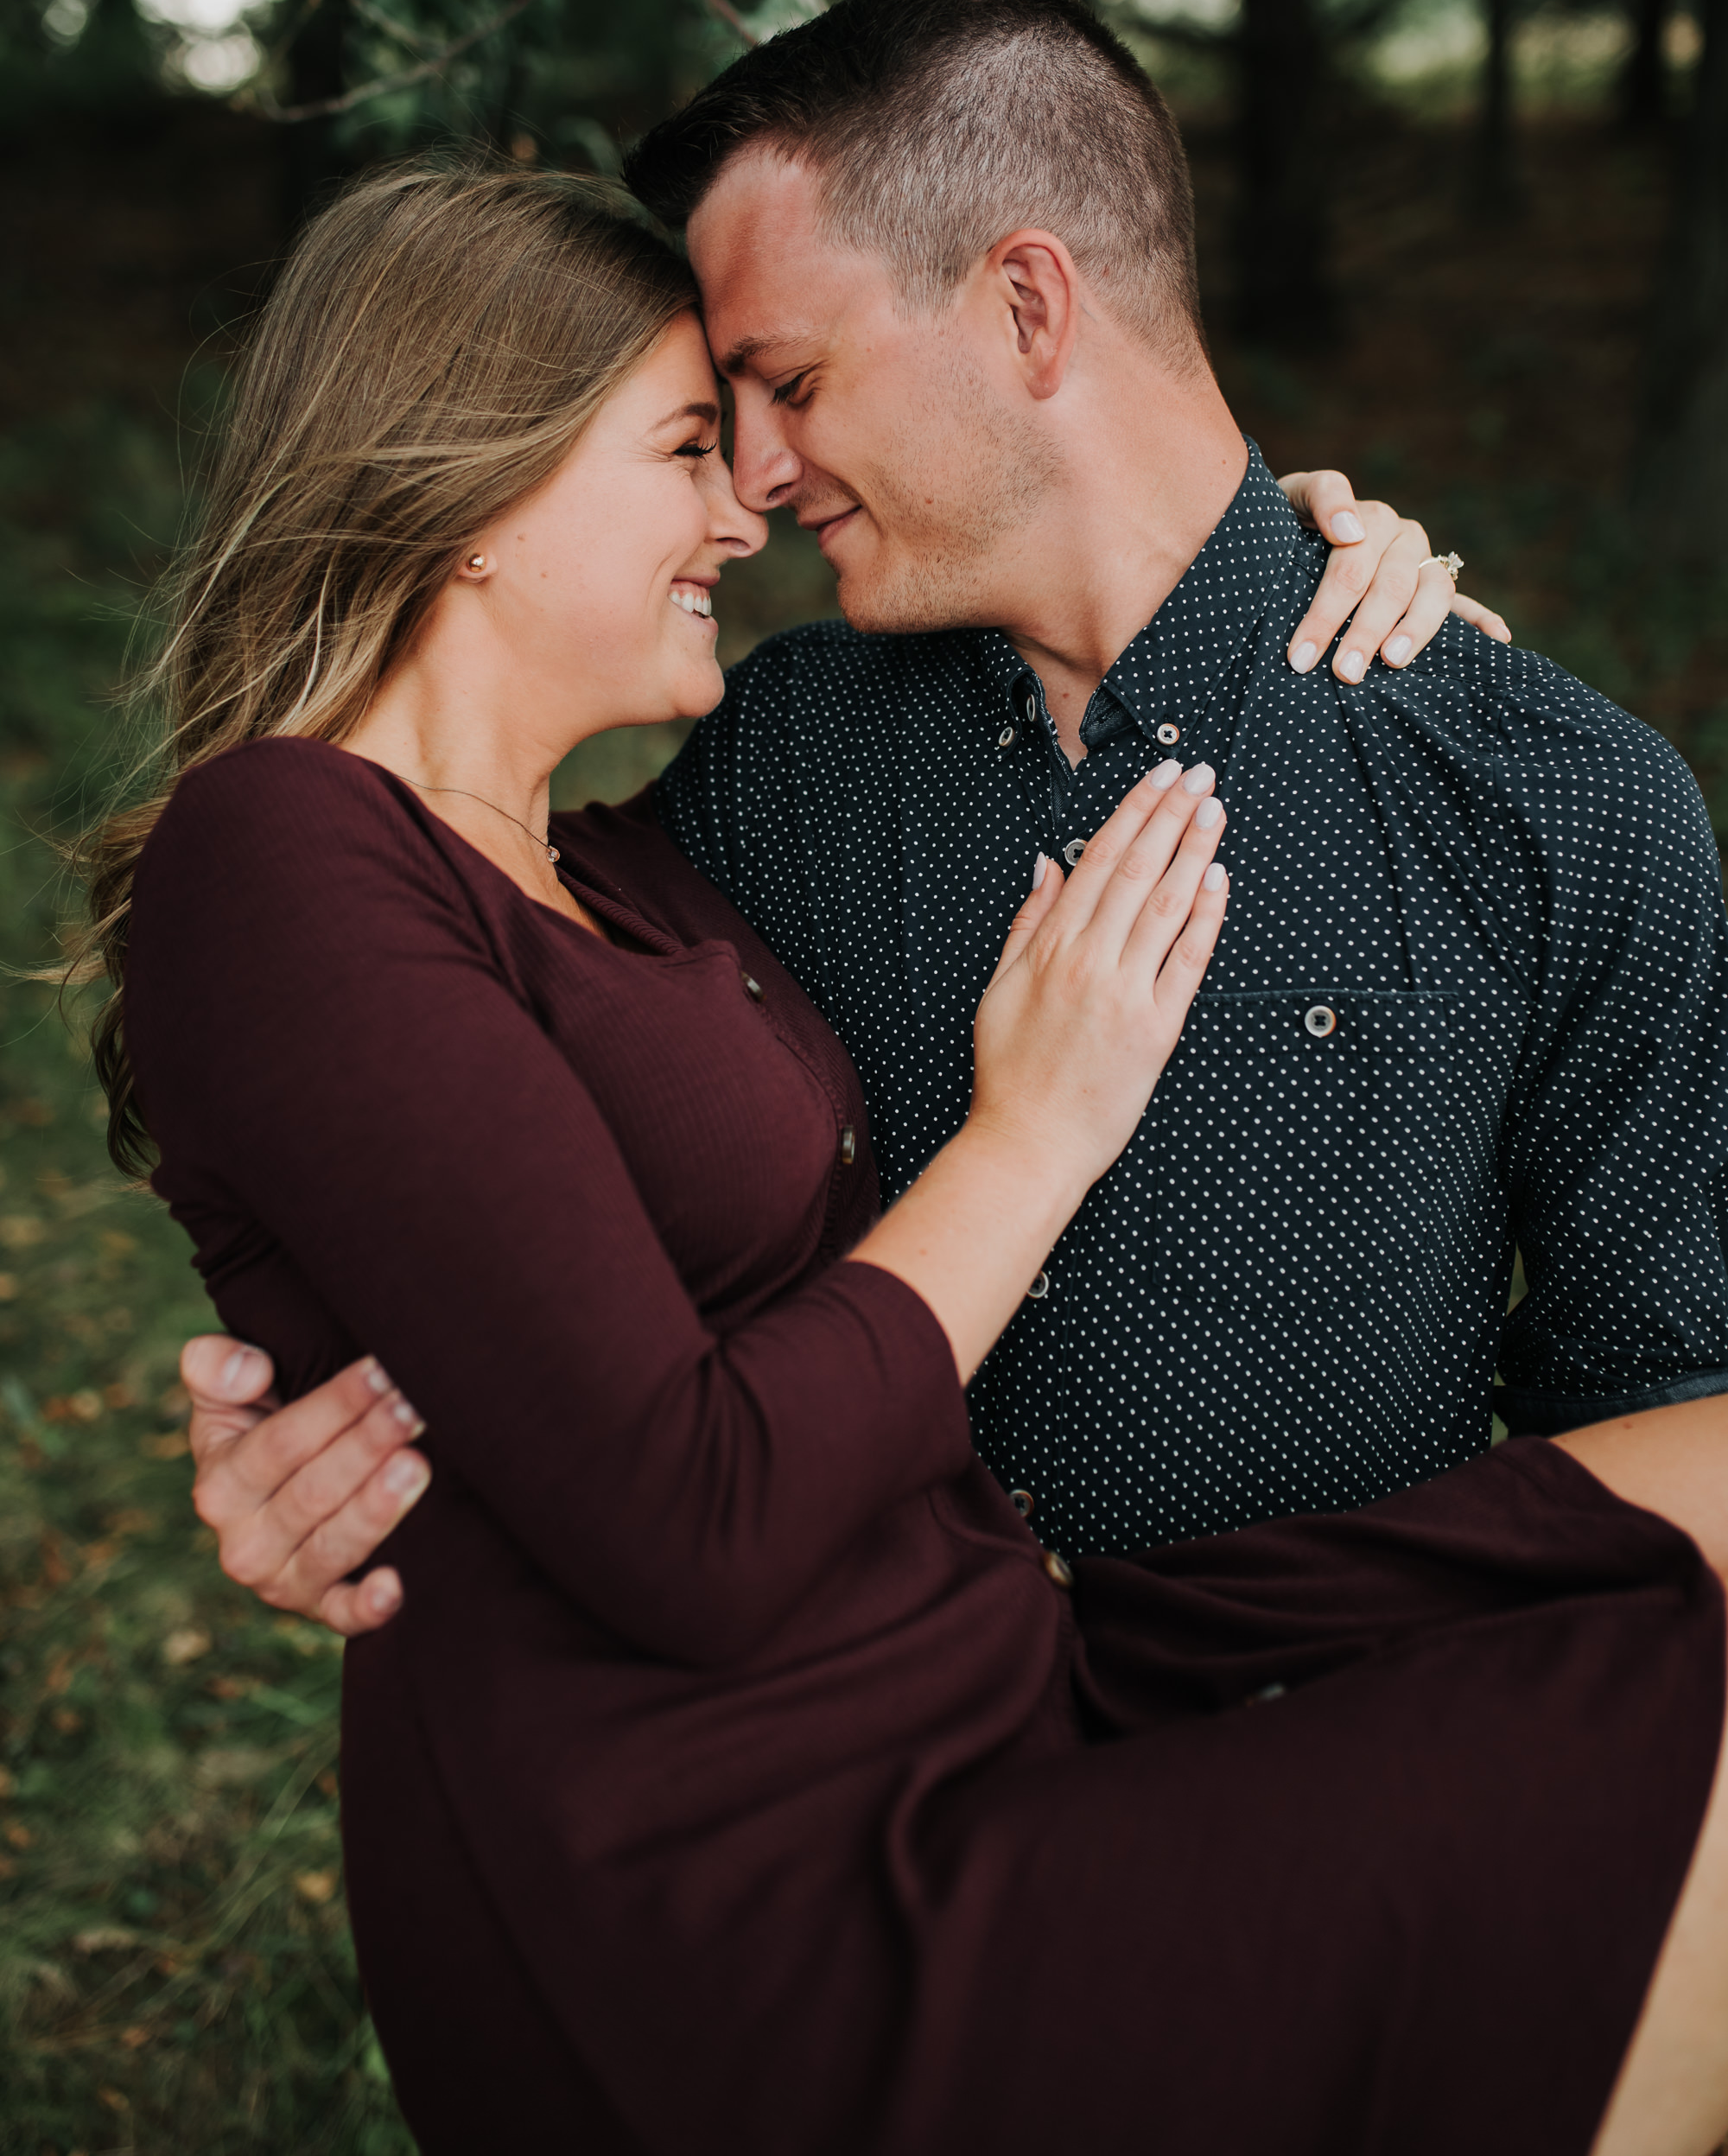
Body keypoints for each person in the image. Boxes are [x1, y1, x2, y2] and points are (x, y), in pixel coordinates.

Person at [95, 155, 1728, 2156]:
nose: (745, 497)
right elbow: (614, 1432)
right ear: (471, 483)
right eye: (693, 439)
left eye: (760, 412)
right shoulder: (514, 818)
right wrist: (1034, 1132)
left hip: (1045, 1660)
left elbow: (476, 1216)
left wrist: (1274, 538)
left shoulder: (627, 873)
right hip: (794, 1832)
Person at [192, 0, 1728, 1571]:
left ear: (1026, 305)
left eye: (789, 383)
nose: (760, 476)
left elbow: (1666, 1406)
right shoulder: (773, 763)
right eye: (723, 417)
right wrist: (342, 1431)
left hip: (1320, 1762)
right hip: (833, 1772)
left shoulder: (1553, 800)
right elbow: (458, 1121)